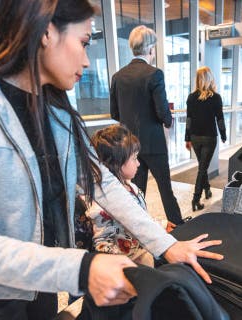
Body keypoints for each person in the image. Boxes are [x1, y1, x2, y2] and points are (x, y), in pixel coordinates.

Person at [0, 1, 222, 319]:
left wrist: (166, 244)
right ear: (47, 32)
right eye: (84, 42)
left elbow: (103, 184)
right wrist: (82, 269)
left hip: (41, 285)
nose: (87, 61)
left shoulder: (55, 109)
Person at [110, 25, 183, 226]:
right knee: (165, 189)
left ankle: (138, 229)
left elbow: (114, 113)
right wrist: (168, 121)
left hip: (130, 146)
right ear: (150, 49)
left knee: (136, 191)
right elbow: (162, 112)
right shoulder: (154, 74)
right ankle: (177, 227)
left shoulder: (118, 77)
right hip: (154, 144)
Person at [88, 124, 176, 267]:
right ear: (116, 163)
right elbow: (102, 244)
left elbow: (139, 217)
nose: (139, 163)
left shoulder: (131, 186)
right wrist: (126, 266)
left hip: (143, 251)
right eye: (134, 158)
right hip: (132, 265)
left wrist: (161, 224)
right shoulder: (101, 205)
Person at [184, 66, 226, 211]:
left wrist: (187, 138)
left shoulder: (191, 97)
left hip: (195, 137)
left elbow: (188, 119)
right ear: (210, 78)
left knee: (203, 165)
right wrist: (224, 134)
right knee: (202, 168)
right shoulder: (216, 97)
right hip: (209, 138)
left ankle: (207, 190)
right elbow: (220, 119)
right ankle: (196, 199)